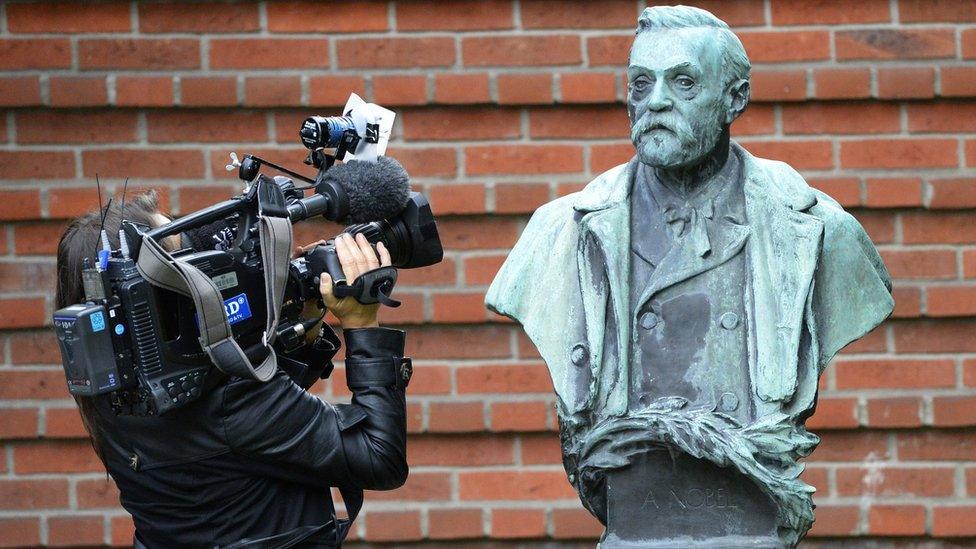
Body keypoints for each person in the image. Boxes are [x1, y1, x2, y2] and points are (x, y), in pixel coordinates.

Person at [486, 5, 892, 547]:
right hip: (636, 518)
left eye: (682, 83)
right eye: (640, 83)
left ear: (735, 100)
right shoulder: (561, 232)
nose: (655, 101)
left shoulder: (816, 232)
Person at [55, 190, 409, 548]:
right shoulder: (229, 399)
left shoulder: (115, 391)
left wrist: (300, 314)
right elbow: (380, 457)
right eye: (180, 258)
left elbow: (254, 444)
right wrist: (363, 324)